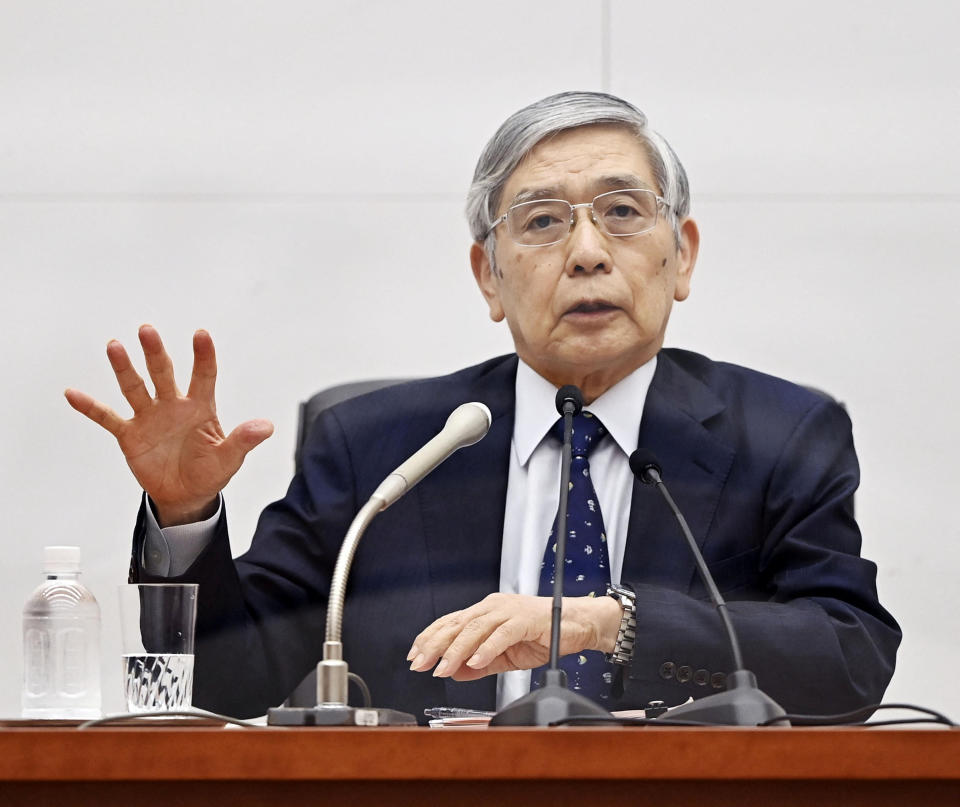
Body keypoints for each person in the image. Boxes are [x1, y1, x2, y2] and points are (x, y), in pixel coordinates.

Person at [66, 91, 900, 720]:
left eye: (621, 212)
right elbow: (227, 676)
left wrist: (611, 623)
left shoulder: (781, 434)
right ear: (488, 277)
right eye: (541, 221)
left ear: (680, 256)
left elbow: (851, 660)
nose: (585, 252)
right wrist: (185, 515)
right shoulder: (377, 446)